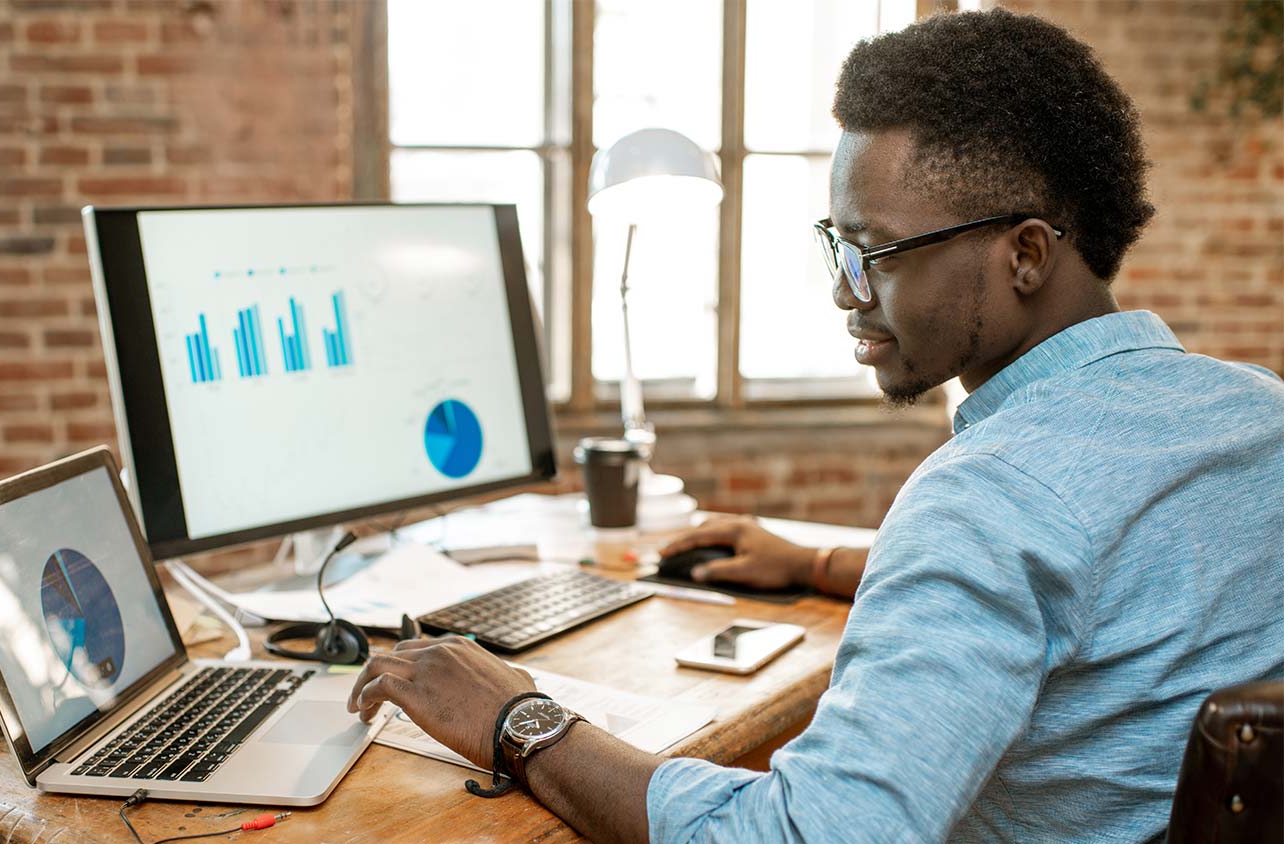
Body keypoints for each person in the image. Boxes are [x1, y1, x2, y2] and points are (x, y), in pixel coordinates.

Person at [346, 9, 1284, 843]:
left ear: (1026, 254)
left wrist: (523, 721)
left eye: (875, 251)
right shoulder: (1255, 414)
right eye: (836, 244)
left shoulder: (990, 499)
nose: (844, 289)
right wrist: (818, 564)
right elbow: (1099, 583)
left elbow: (810, 831)